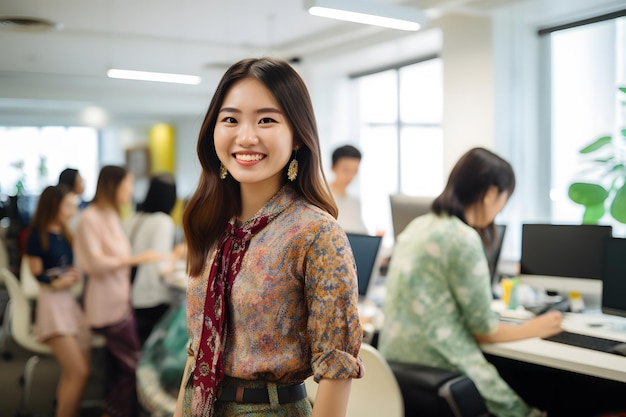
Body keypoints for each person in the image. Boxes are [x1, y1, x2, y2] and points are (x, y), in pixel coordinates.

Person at [174, 57, 363, 417]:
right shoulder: (213, 226)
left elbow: (337, 368)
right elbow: (198, 349)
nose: (246, 136)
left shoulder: (316, 233)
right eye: (230, 119)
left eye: (266, 120)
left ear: (296, 136)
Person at [378, 147, 563, 417]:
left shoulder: (418, 225)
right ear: (490, 193)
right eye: (504, 198)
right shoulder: (462, 237)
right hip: (445, 367)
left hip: (399, 372)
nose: (502, 207)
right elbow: (484, 330)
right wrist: (538, 326)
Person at [73, 165, 164, 417]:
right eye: (128, 185)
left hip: (119, 302)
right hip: (106, 307)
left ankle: (111, 409)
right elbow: (95, 264)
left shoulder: (111, 215)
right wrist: (137, 259)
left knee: (118, 368)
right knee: (130, 366)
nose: (131, 191)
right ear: (114, 186)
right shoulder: (91, 218)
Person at [24, 184, 91, 417]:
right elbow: (36, 273)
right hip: (52, 304)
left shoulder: (65, 232)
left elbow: (67, 266)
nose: (73, 210)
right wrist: (56, 282)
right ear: (55, 206)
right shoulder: (36, 236)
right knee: (78, 372)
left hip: (67, 302)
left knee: (78, 372)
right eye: (69, 205)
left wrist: (72, 275)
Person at [123, 172, 178, 345]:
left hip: (129, 291)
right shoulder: (163, 221)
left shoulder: (133, 217)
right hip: (150, 295)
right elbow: (160, 265)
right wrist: (177, 254)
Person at [329, 145, 368, 234]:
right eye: (346, 170)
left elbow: (362, 233)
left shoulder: (355, 202)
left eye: (355, 170)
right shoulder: (321, 195)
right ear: (333, 167)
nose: (350, 176)